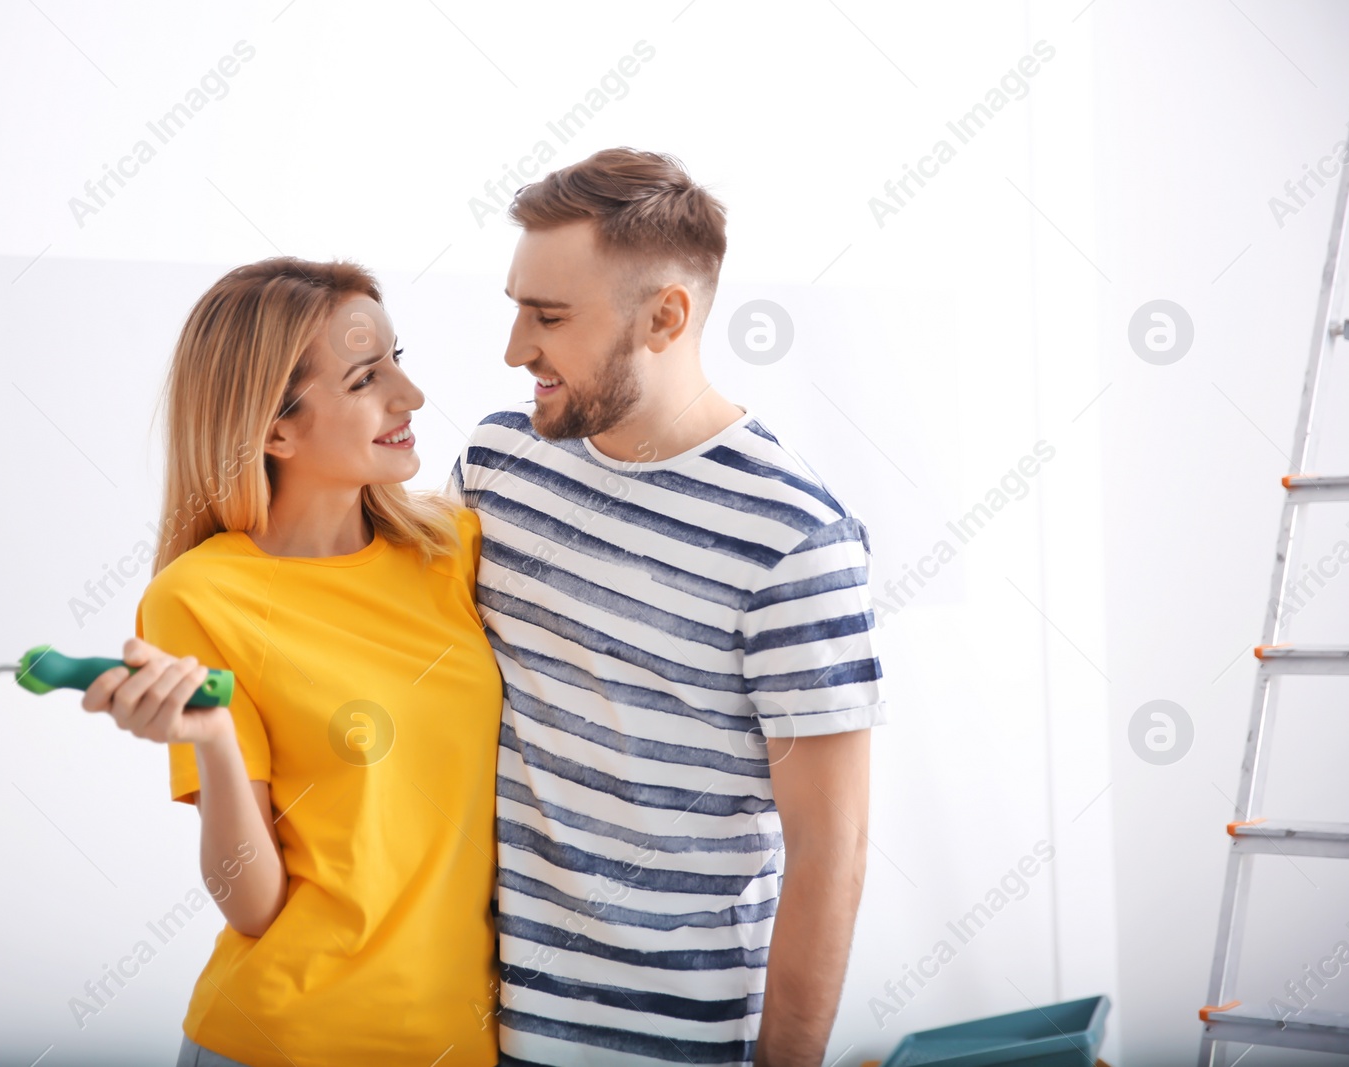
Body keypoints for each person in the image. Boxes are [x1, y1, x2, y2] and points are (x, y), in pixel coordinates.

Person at [450, 147, 886, 1066]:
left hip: (670, 1044)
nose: (515, 348)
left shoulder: (795, 538)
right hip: (465, 1027)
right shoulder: (495, 467)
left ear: (665, 315)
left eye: (550, 316)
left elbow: (828, 848)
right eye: (517, 308)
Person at [80, 259, 503, 1067]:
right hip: (285, 1041)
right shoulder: (199, 597)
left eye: (399, 362)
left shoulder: (453, 550)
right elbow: (252, 902)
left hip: (466, 1044)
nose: (409, 397)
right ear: (276, 430)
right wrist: (210, 740)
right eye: (364, 379)